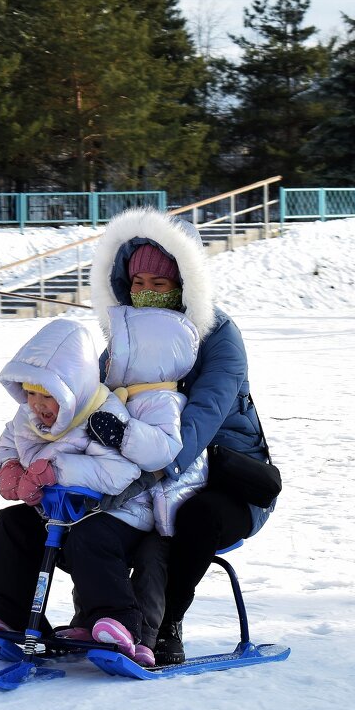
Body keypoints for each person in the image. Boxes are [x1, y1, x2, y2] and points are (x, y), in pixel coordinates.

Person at [88, 207, 277, 666]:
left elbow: (204, 414)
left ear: (184, 287)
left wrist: (153, 467)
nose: (146, 293)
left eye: (159, 285)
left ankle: (167, 623)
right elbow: (96, 397)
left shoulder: (220, 336)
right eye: (138, 284)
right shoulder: (128, 337)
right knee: (82, 515)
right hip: (144, 468)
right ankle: (100, 618)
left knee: (193, 517)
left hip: (223, 476)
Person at [0, 318, 158, 664]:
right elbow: (8, 447)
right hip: (58, 513)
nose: (37, 404)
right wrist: (9, 470)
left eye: (47, 395)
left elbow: (119, 473)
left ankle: (117, 621)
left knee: (89, 534)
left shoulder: (101, 413)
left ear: (72, 388)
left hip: (118, 513)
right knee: (13, 523)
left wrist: (56, 471)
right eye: (31, 393)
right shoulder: (27, 417)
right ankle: (13, 612)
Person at [67, 304, 208, 663]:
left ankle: (141, 636)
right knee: (88, 537)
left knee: (148, 561)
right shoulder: (118, 398)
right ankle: (91, 620)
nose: (109, 360)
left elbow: (162, 451)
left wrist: (123, 434)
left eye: (118, 352)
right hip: (137, 507)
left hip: (168, 514)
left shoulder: (166, 401)